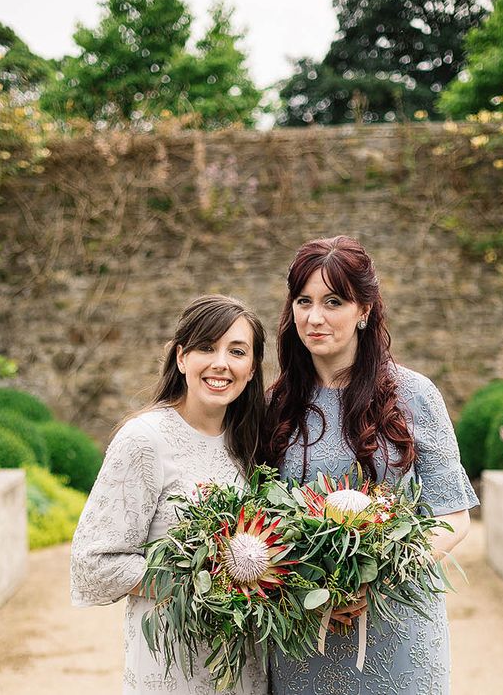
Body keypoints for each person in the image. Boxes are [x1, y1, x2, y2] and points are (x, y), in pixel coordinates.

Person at [262, 236, 479, 695]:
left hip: (397, 623)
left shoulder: (415, 395)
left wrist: (374, 579)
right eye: (303, 301)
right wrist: (304, 588)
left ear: (364, 310)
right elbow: (259, 526)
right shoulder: (273, 407)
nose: (314, 317)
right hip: (303, 631)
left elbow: (451, 517)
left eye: (333, 301)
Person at [70, 295, 268, 695]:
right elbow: (93, 563)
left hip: (247, 668)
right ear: (181, 358)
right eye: (206, 347)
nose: (220, 363)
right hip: (171, 668)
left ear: (251, 369)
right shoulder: (144, 440)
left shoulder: (253, 444)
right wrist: (202, 579)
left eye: (237, 351)